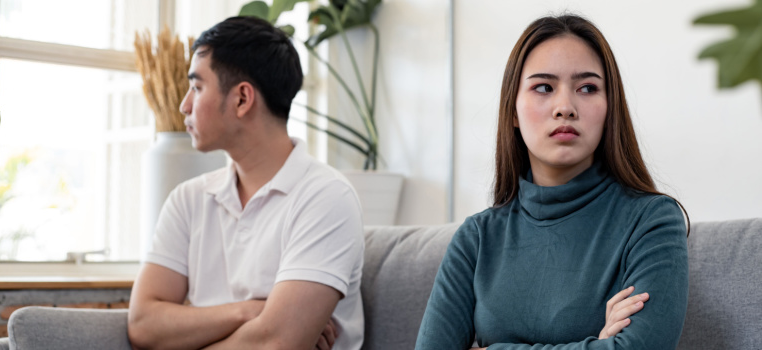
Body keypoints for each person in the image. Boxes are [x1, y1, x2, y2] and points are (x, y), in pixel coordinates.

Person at [416, 14, 688, 350]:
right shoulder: (477, 239)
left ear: (610, 107)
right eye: (543, 87)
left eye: (587, 88)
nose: (565, 107)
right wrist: (598, 344)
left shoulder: (652, 220)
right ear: (512, 112)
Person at [127, 16, 365, 350]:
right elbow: (142, 323)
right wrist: (248, 312)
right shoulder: (188, 199)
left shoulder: (326, 197)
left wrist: (259, 325)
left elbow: (276, 342)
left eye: (196, 87)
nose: (184, 105)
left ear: (241, 99)